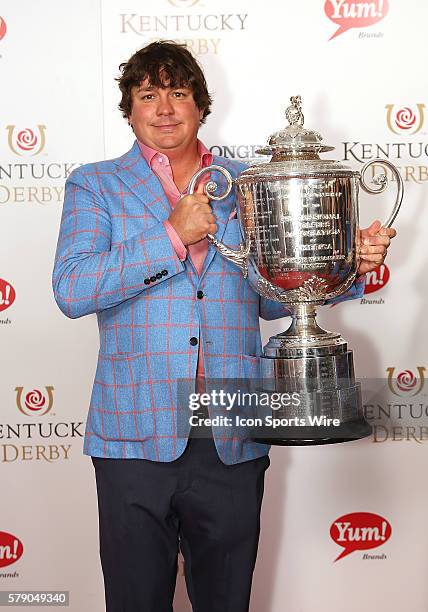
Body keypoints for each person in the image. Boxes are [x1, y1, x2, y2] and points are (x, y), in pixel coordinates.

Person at [52, 41, 396, 612]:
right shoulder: (96, 185)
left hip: (232, 435)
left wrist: (346, 268)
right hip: (133, 436)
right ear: (130, 109)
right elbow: (73, 288)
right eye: (149, 95)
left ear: (200, 105)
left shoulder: (250, 184)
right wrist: (171, 234)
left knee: (227, 601)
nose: (165, 108)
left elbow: (271, 295)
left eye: (179, 93)